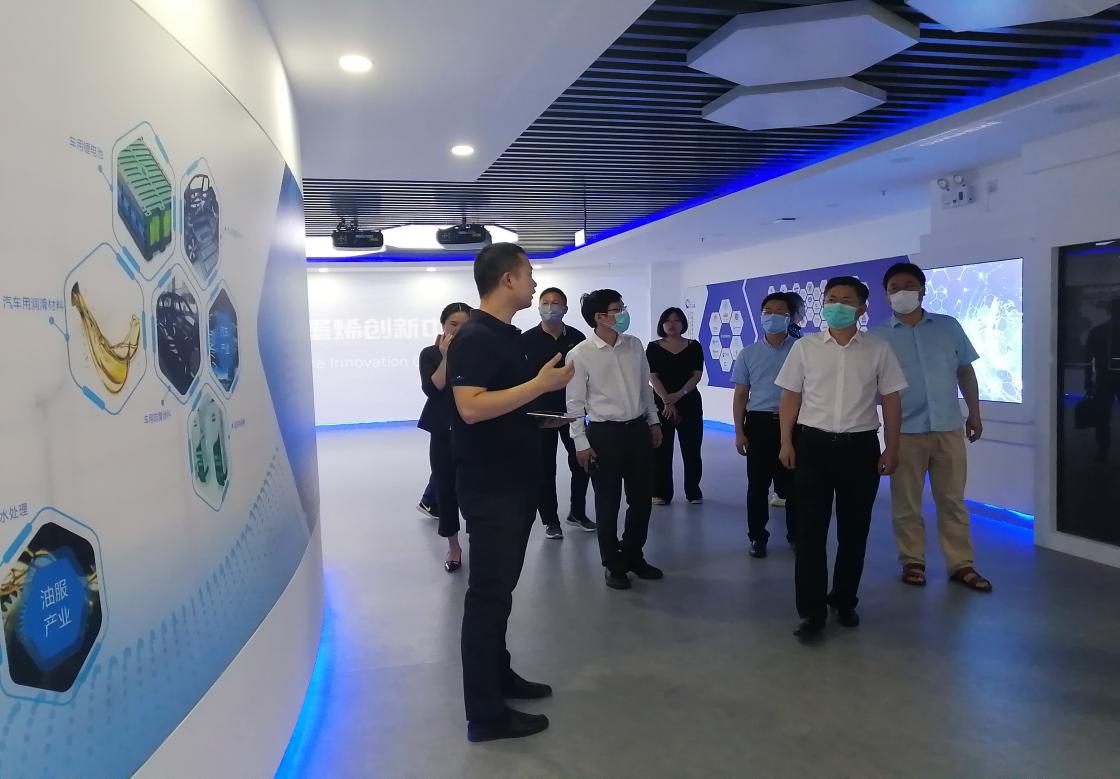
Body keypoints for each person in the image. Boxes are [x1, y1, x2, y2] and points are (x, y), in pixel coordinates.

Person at [447, 243, 574, 743]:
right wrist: (540, 386)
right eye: (529, 274)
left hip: (515, 481)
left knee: (500, 595)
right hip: (491, 487)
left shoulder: (506, 336)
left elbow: (502, 404)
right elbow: (471, 408)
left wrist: (536, 416)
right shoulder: (476, 336)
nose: (535, 283)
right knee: (488, 597)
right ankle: (485, 714)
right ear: (507, 280)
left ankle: (499, 677)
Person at [776, 276, 907, 642]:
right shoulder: (805, 348)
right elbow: (790, 396)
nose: (837, 305)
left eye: (846, 300)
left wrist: (892, 447)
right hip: (812, 445)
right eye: (831, 298)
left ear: (862, 308)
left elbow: (892, 399)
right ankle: (811, 612)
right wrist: (785, 441)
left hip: (860, 448)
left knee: (854, 532)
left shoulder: (878, 349)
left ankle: (845, 600)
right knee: (810, 533)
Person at [874, 262, 992, 592]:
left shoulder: (947, 326)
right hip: (904, 432)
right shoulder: (877, 338)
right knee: (906, 502)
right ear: (886, 295)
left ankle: (961, 563)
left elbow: (965, 371)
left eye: (909, 286)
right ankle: (912, 560)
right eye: (894, 288)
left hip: (947, 426)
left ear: (923, 290)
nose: (902, 292)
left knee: (952, 499)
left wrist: (974, 413)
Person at [567, 290, 664, 590]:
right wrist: (581, 443)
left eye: (623, 308)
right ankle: (613, 563)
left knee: (641, 500)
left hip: (637, 430)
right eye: (617, 310)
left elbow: (646, 389)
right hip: (603, 434)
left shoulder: (634, 345)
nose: (623, 314)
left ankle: (634, 554)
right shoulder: (580, 354)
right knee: (607, 503)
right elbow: (574, 404)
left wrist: (653, 421)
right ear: (599, 317)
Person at [522, 287, 594, 539]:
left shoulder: (577, 337)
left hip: (572, 411)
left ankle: (577, 512)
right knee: (544, 469)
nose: (550, 308)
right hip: (540, 414)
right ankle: (550, 521)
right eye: (546, 303)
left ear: (565, 308)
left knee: (581, 462)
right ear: (539, 307)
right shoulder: (526, 340)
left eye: (556, 303)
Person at [731, 293, 797, 558]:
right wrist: (739, 431)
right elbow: (740, 395)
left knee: (795, 486)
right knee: (757, 487)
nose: (772, 316)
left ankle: (797, 535)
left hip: (795, 424)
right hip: (759, 424)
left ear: (790, 317)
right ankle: (757, 537)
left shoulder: (801, 350)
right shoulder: (748, 353)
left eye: (779, 311)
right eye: (768, 311)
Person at [418, 302, 471, 572]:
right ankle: (453, 546)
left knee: (474, 488)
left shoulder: (480, 352)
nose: (458, 330)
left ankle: (479, 540)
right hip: (443, 431)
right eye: (453, 324)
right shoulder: (430, 354)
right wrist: (446, 356)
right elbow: (433, 387)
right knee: (446, 489)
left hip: (475, 429)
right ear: (443, 325)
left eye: (464, 325)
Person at [647, 307, 705, 506]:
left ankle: (693, 491)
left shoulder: (694, 346)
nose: (672, 324)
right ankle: (660, 493)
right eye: (668, 320)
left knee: (692, 449)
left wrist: (679, 395)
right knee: (661, 449)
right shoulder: (653, 347)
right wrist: (666, 400)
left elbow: (696, 375)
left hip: (689, 403)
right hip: (661, 404)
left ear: (683, 324)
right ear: (662, 324)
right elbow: (652, 376)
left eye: (677, 320)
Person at [1086, 298, 1120, 463]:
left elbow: (1088, 360)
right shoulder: (1098, 332)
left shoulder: (1098, 332)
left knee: (1102, 419)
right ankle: (1102, 451)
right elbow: (1089, 360)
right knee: (1102, 418)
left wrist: (1088, 382)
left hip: (1103, 380)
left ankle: (1103, 451)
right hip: (1104, 380)